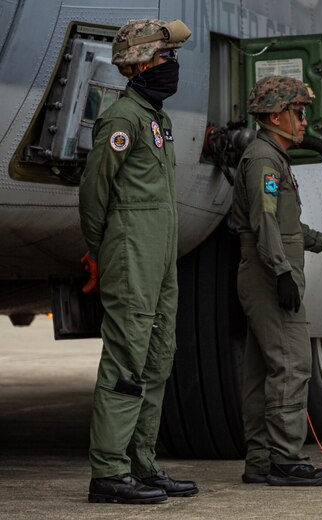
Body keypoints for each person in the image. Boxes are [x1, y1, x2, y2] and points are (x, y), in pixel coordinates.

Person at [78, 18, 198, 503]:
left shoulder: (156, 119)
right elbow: (94, 192)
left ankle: (140, 463)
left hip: (159, 256)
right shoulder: (123, 119)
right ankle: (108, 471)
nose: (172, 67)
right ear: (140, 64)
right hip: (131, 252)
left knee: (157, 356)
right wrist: (98, 250)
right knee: (127, 358)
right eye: (166, 58)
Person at [232, 75, 322, 486]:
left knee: (263, 370)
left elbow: (284, 224)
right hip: (269, 275)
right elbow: (264, 221)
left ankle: (262, 460)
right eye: (298, 113)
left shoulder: (271, 158)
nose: (304, 122)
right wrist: (282, 272)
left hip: (264, 271)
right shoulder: (265, 160)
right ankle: (285, 458)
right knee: (291, 366)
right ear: (275, 115)